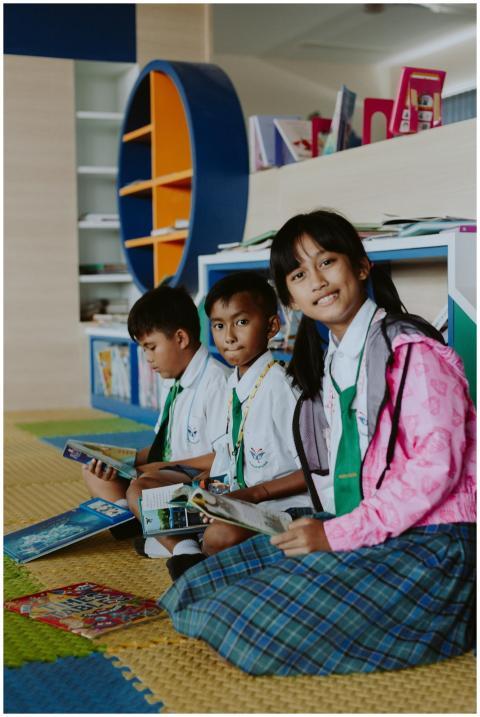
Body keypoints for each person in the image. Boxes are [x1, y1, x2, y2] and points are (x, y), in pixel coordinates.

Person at [159, 209, 476, 677]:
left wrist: (333, 535)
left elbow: (434, 473)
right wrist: (323, 529)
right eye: (300, 273)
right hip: (364, 525)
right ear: (289, 297)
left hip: (435, 545)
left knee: (251, 630)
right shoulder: (332, 361)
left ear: (361, 266)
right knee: (195, 590)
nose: (318, 281)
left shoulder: (414, 352)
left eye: (327, 261)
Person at [165, 271, 313, 579]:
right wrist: (205, 489)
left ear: (272, 326)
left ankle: (199, 553)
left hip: (287, 507)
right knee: (161, 505)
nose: (228, 336)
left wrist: (252, 495)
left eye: (241, 322)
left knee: (221, 536)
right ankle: (195, 552)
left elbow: (314, 469)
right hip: (242, 499)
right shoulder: (234, 384)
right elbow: (228, 456)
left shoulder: (280, 387)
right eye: (219, 325)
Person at [82, 284, 229, 559]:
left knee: (142, 486)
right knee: (94, 471)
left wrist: (158, 466)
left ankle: (183, 551)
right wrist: (122, 459)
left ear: (181, 338)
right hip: (167, 473)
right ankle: (141, 525)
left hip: (197, 479)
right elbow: (165, 442)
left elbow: (224, 457)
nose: (147, 358)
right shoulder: (174, 383)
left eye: (151, 347)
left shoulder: (217, 382)